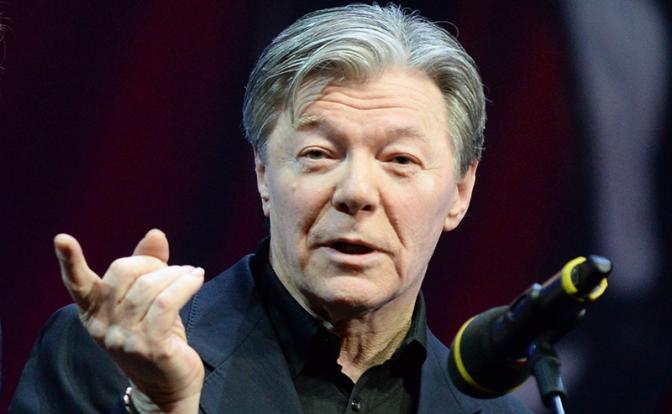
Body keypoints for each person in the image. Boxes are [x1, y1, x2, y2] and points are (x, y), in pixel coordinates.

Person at [10, 4, 530, 413]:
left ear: (460, 192)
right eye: (318, 154)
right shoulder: (117, 355)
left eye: (400, 160)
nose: (356, 192)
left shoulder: (498, 411)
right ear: (263, 174)